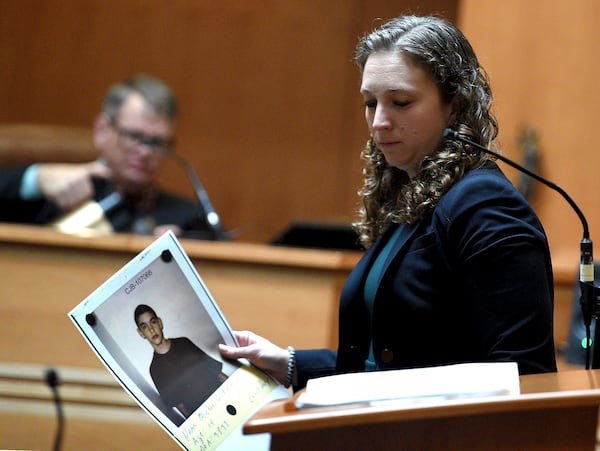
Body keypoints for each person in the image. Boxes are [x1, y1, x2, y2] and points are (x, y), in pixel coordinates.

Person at [219, 15, 557, 391]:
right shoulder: (414, 197)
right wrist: (291, 364)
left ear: (456, 105)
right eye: (369, 103)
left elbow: (524, 376)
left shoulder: (484, 205)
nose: (379, 121)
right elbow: (384, 363)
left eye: (400, 102)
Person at [0, 74, 221, 239]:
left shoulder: (187, 219)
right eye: (134, 136)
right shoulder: (53, 191)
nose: (145, 151)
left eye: (157, 142)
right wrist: (36, 178)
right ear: (102, 130)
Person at [134, 304, 228, 417]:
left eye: (153, 322)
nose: (151, 329)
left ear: (160, 322)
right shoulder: (155, 370)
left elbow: (218, 373)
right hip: (206, 417)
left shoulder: (183, 343)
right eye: (144, 327)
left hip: (224, 399)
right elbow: (180, 406)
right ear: (141, 333)